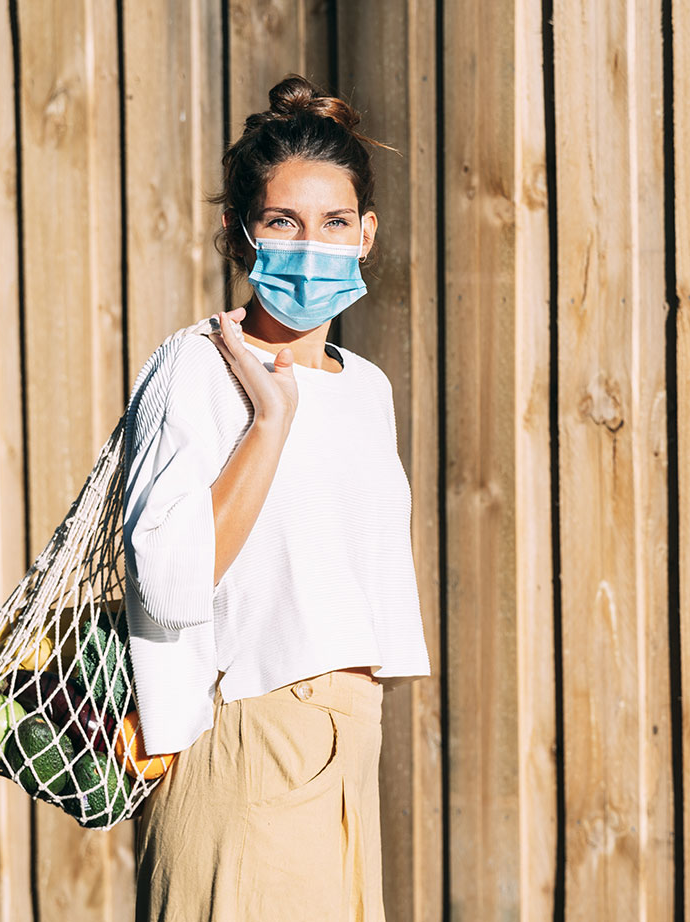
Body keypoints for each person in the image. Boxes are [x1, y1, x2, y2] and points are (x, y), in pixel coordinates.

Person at [122, 73, 430, 922]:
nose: (313, 246)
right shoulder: (195, 368)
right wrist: (269, 420)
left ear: (366, 234)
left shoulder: (367, 388)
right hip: (247, 740)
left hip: (349, 750)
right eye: (281, 222)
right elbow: (172, 580)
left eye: (334, 224)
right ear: (240, 235)